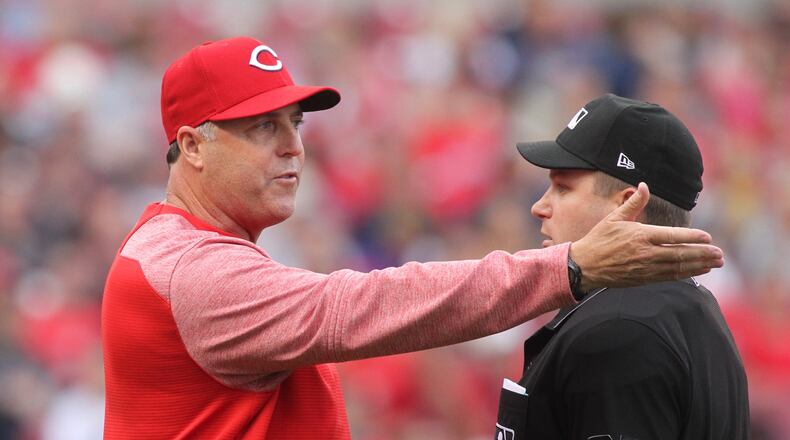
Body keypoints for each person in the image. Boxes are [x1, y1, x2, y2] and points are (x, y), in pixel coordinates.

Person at [101, 37, 724, 439]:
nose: (293, 144)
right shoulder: (188, 269)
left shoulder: (191, 254)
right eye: (263, 127)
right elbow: (353, 308)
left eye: (294, 122)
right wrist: (569, 268)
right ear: (190, 146)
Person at [494, 93, 749, 439]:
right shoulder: (690, 306)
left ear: (627, 205)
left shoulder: (616, 330)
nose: (540, 206)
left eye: (563, 188)